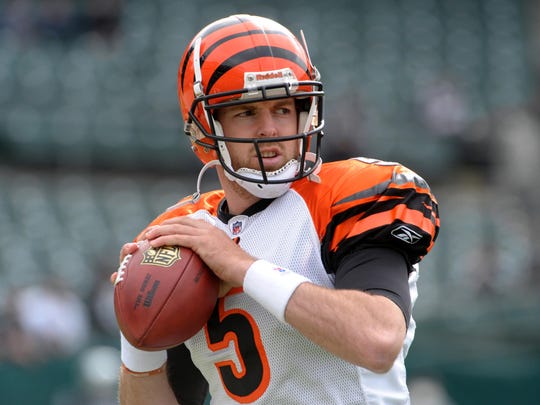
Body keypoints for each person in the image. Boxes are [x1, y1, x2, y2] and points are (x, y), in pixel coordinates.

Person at [114, 14, 440, 404]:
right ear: (205, 127)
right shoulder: (183, 232)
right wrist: (136, 337)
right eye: (248, 112)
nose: (270, 128)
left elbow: (377, 341)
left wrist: (239, 266)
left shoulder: (348, 195)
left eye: (283, 109)